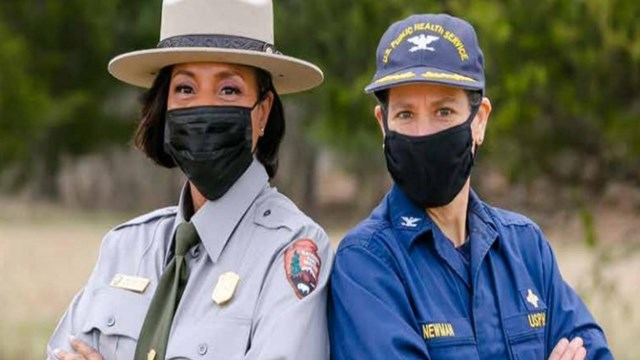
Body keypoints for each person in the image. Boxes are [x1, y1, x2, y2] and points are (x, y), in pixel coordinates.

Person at [47, 0, 333, 359]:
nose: (204, 106)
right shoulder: (125, 248)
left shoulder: (291, 251)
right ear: (164, 106)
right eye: (185, 89)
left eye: (228, 90)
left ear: (262, 113)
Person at [328, 13, 613, 360]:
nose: (422, 133)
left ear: (479, 121)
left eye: (443, 112)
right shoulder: (366, 263)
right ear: (383, 126)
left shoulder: (526, 247)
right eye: (405, 115)